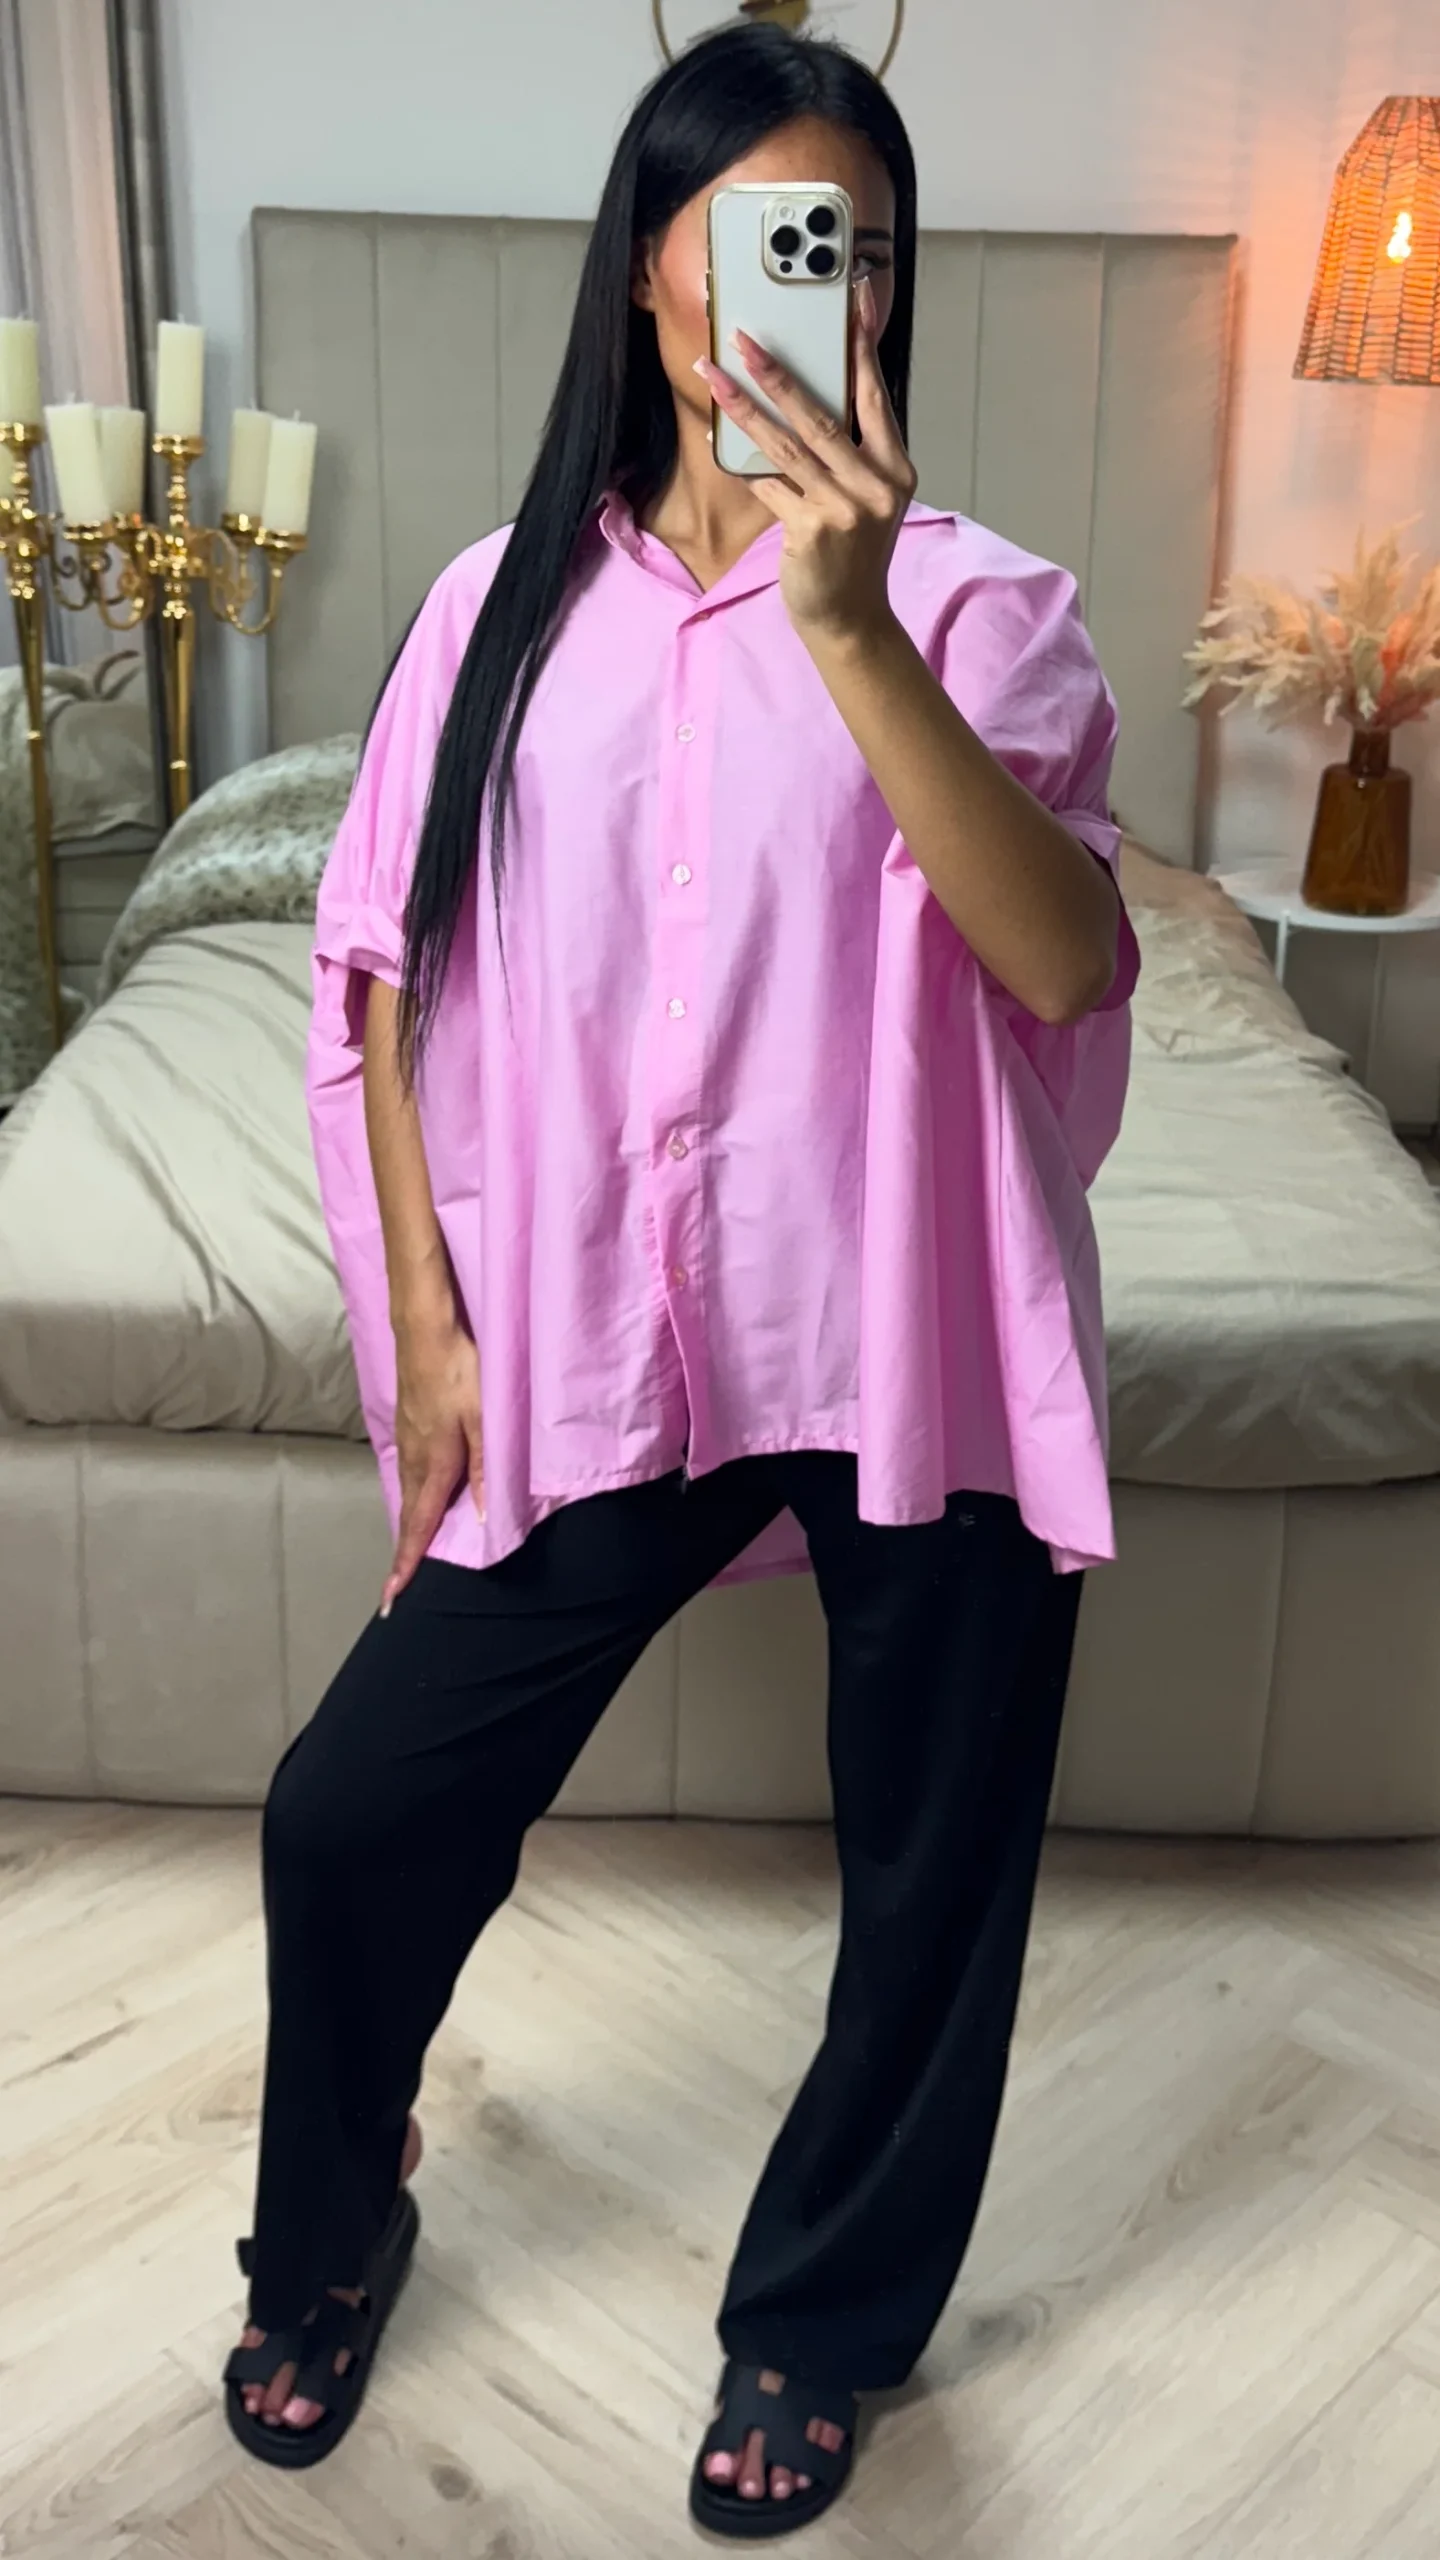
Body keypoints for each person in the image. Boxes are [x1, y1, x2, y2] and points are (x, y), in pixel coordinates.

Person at [220, 20, 1140, 2539]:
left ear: (887, 294)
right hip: (607, 1338)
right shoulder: (492, 612)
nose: (805, 291)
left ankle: (822, 2316)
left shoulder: (983, 608)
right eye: (755, 238)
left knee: (934, 1880)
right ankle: (336, 2208)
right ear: (650, 272)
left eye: (849, 250)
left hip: (914, 1339)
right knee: (348, 1811)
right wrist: (427, 1326)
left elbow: (1069, 961)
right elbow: (383, 959)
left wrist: (853, 629)